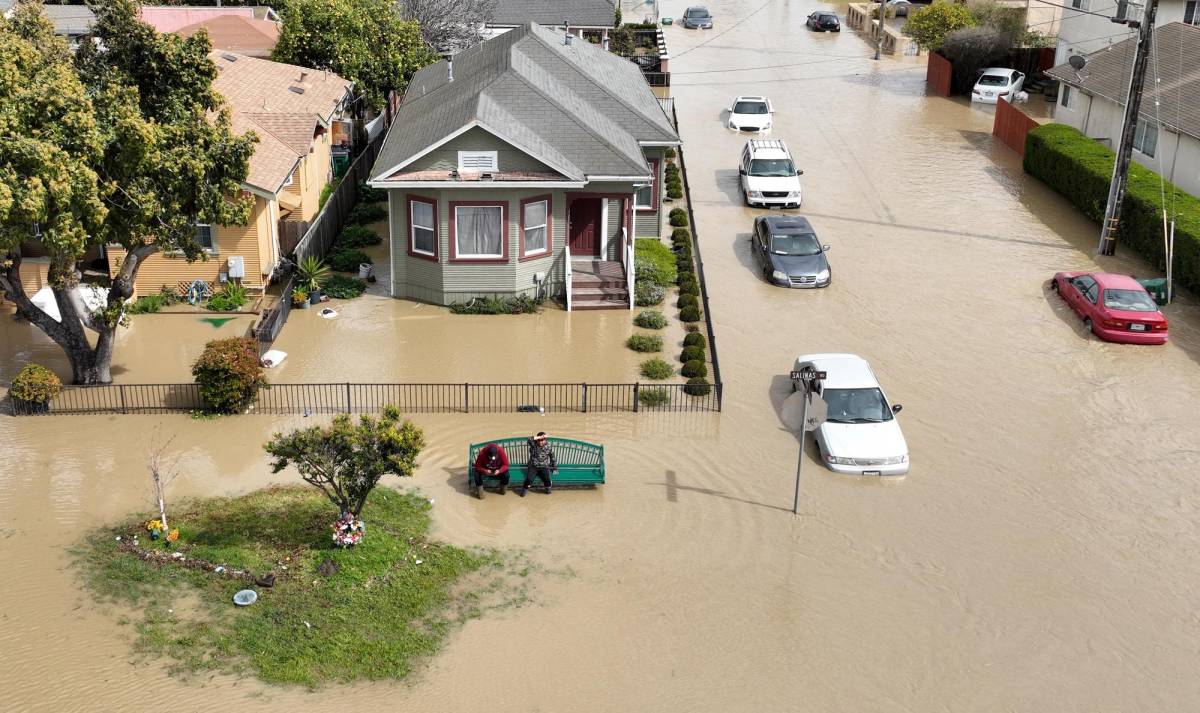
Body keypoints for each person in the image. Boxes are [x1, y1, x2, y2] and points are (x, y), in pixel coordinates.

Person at [519, 431, 557, 497]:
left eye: (542, 440)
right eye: (539, 440)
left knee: (547, 479)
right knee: (529, 479)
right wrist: (540, 437)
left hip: (544, 466)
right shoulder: (533, 444)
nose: (540, 442)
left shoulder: (548, 447)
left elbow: (552, 457)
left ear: (545, 440)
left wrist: (554, 467)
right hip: (533, 466)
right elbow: (529, 439)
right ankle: (524, 490)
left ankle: (548, 490)